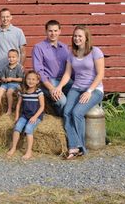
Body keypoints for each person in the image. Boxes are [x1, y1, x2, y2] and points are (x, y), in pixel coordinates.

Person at [53, 25, 104, 160]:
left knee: (77, 113)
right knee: (66, 112)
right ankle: (73, 147)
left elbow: (100, 74)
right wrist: (58, 87)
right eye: (75, 36)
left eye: (80, 36)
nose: (77, 38)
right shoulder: (72, 54)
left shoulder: (95, 52)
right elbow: (67, 74)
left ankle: (80, 147)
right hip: (76, 88)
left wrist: (89, 91)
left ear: (86, 38)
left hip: (94, 90)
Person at [32, 20, 72, 116]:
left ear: (59, 31)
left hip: (64, 80)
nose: (53, 33)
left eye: (55, 30)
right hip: (49, 81)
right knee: (62, 101)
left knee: (79, 94)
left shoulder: (65, 47)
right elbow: (38, 70)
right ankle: (62, 119)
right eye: (50, 31)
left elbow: (71, 67)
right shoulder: (39, 47)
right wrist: (51, 88)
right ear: (46, 31)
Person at [7, 70, 44, 160]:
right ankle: (13, 147)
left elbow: (42, 106)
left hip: (35, 115)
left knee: (28, 129)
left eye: (33, 79)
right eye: (28, 79)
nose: (31, 81)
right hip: (25, 115)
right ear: (25, 80)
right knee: (17, 127)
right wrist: (16, 116)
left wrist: (35, 117)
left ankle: (29, 151)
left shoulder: (38, 92)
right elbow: (19, 104)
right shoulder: (23, 91)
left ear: (37, 81)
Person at [0, 8, 27, 74]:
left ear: (11, 17)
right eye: (3, 17)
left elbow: (23, 51)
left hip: (15, 68)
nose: (5, 19)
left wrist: (21, 65)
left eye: (7, 17)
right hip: (1, 68)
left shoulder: (18, 31)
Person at [0, 49, 24, 117]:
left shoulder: (19, 68)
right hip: (5, 84)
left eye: (13, 57)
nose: (11, 59)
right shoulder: (5, 67)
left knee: (9, 92)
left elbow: (21, 79)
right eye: (9, 57)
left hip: (15, 84)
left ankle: (9, 109)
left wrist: (12, 79)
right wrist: (4, 79)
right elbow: (2, 76)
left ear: (17, 58)